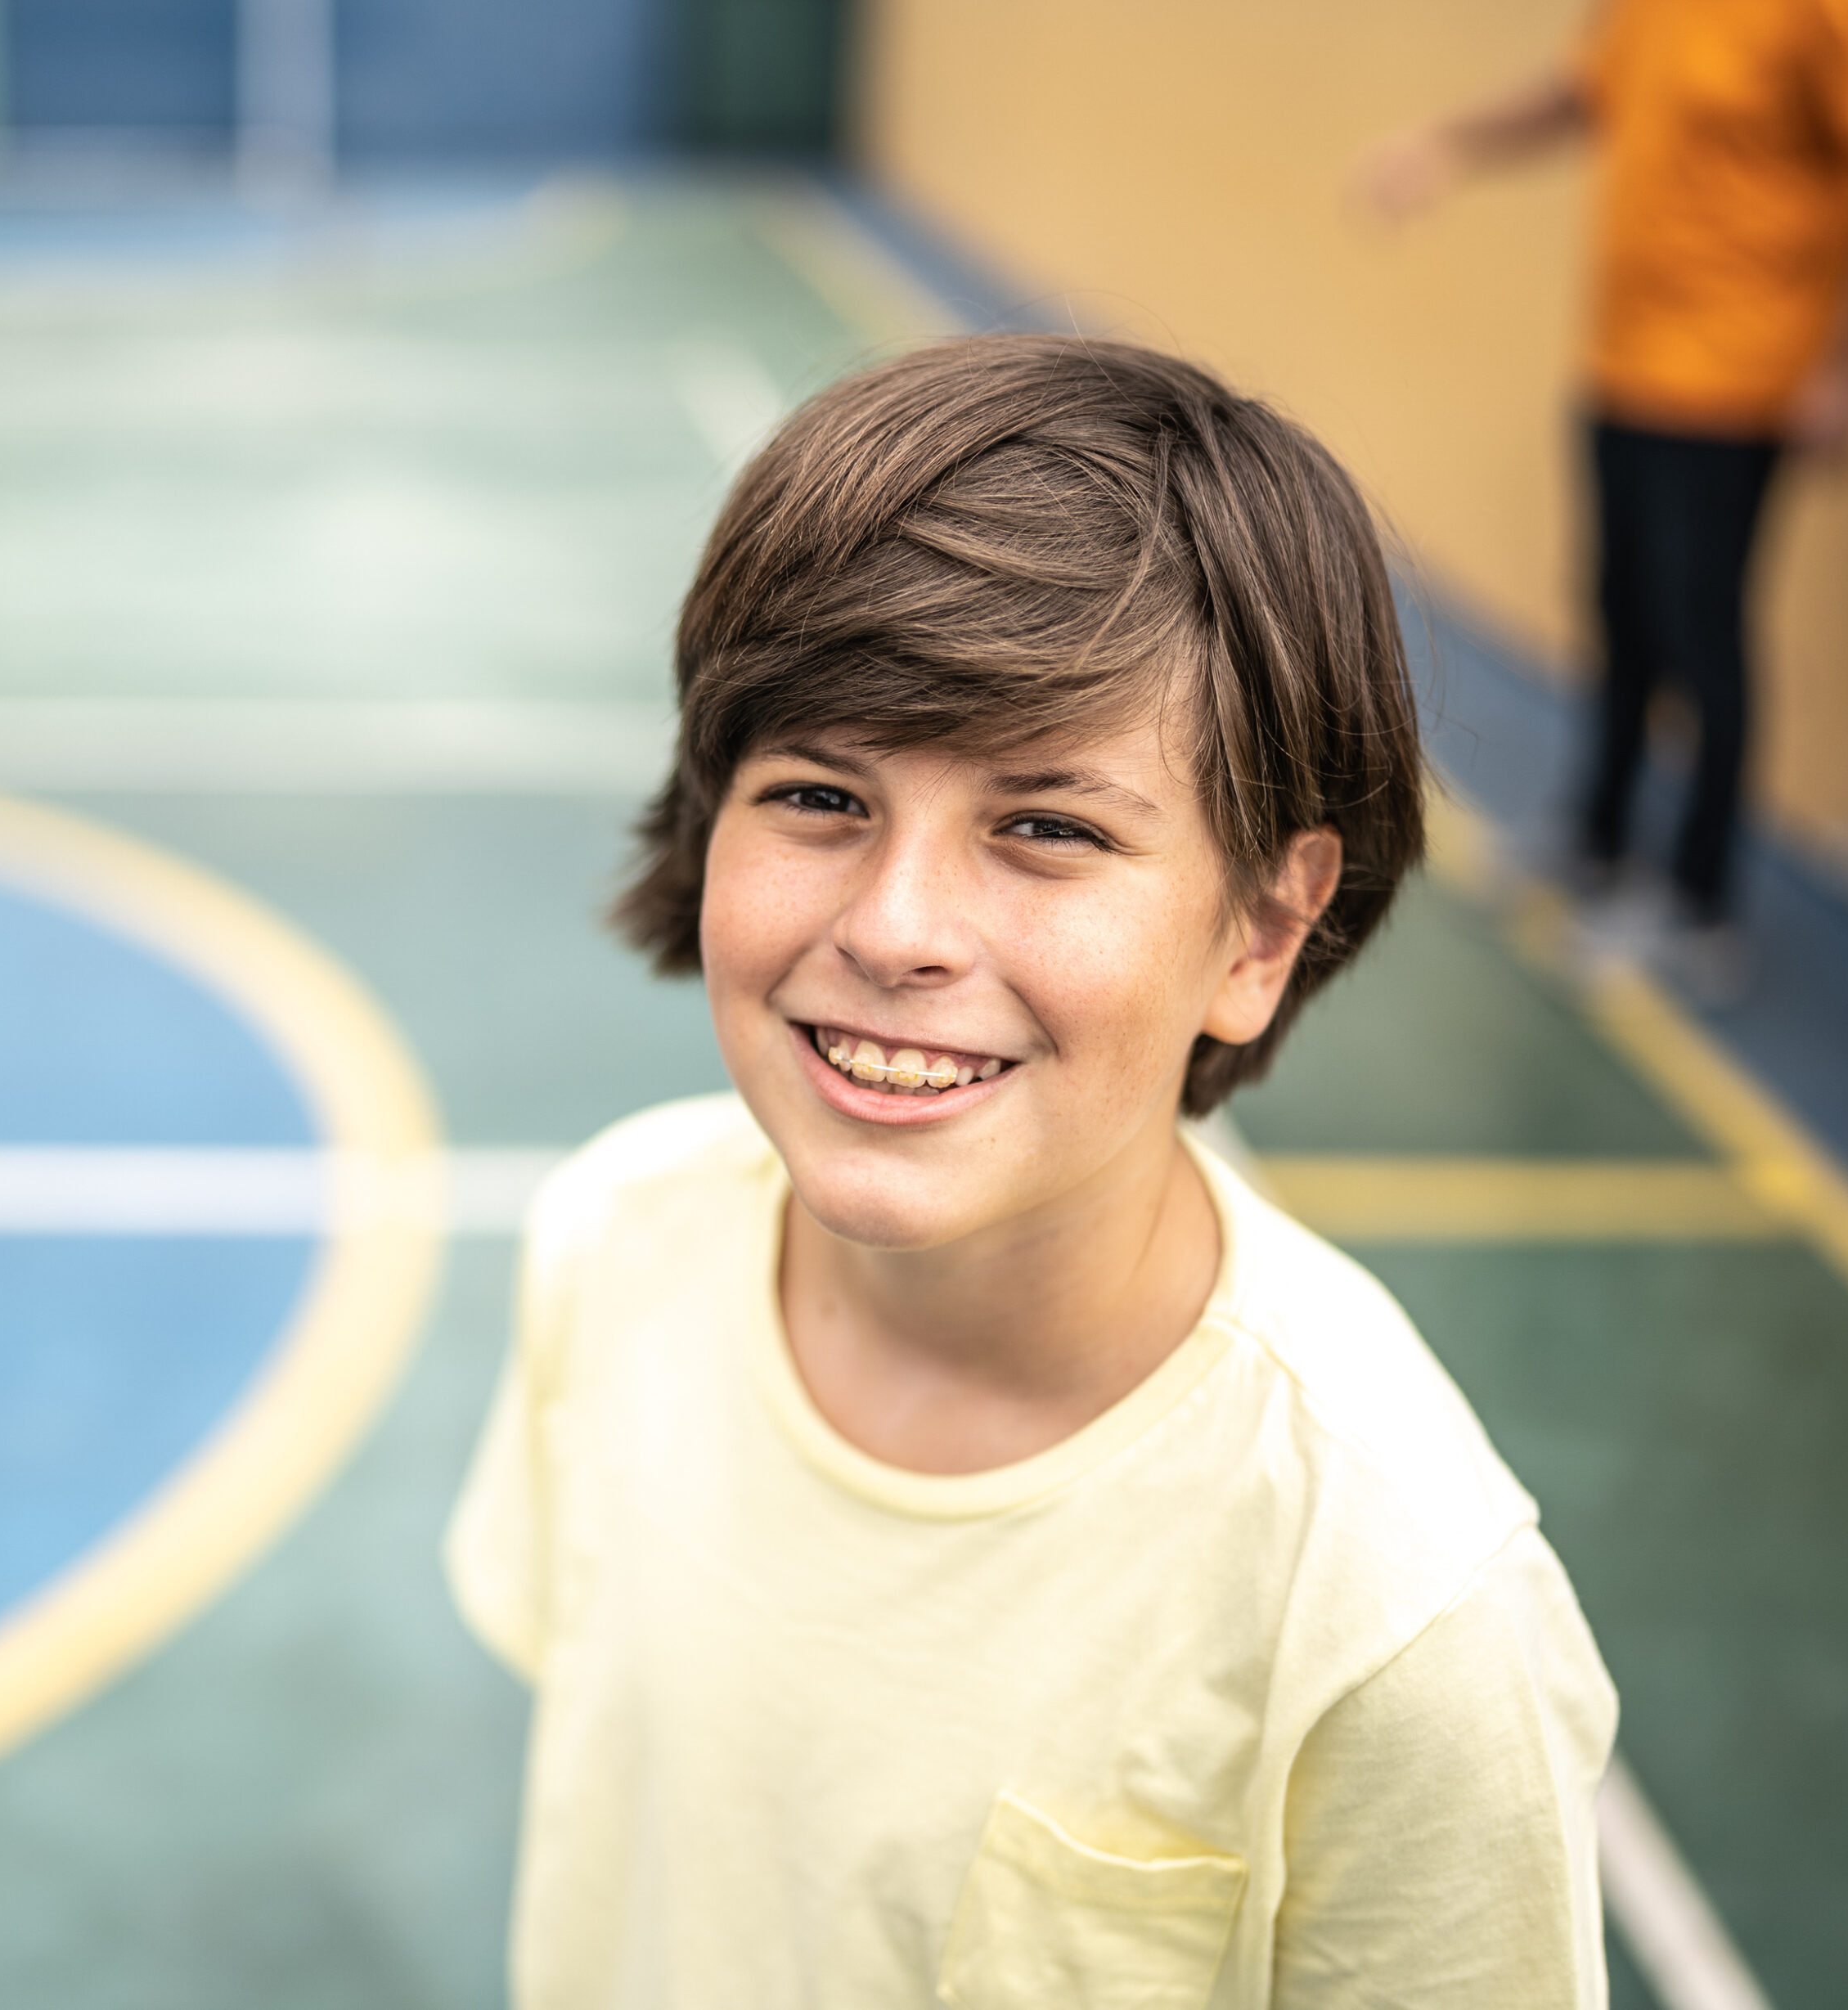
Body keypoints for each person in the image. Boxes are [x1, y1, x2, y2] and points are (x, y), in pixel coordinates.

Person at [444, 336, 1617, 2008]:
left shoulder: (1390, 1608)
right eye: (819, 793)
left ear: (1263, 927)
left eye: (1046, 826)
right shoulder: (610, 1241)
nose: (893, 927)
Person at [1362, 0, 1848, 987]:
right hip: (1625, 361)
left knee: (1698, 628)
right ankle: (1596, 834)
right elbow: (1589, 87)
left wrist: (1845, 364)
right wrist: (1450, 141)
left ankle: (1696, 905)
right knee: (1618, 606)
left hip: (1738, 379)